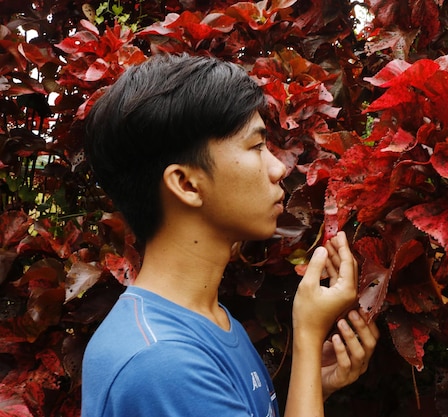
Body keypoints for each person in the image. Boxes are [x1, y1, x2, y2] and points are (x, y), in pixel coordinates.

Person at [81, 53, 379, 417]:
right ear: (187, 184)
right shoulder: (161, 363)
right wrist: (306, 335)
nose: (278, 168)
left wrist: (312, 381)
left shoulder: (208, 322)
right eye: (255, 147)